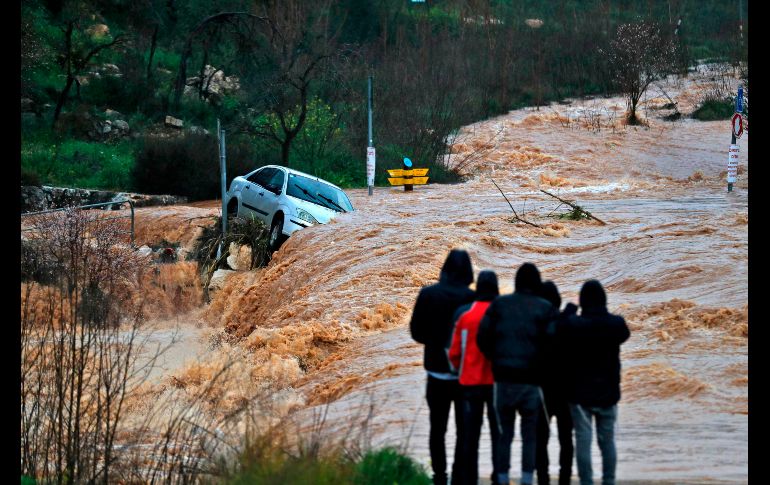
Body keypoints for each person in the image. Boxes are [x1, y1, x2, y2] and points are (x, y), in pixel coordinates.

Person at [477, 263, 557, 485]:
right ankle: (526, 479)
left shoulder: (499, 304)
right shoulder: (545, 307)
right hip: (531, 382)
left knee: (505, 434)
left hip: (503, 380)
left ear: (517, 282)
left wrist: (496, 358)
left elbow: (482, 337)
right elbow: (552, 343)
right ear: (537, 282)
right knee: (529, 435)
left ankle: (502, 478)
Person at [410, 249, 475, 485]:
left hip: (435, 372)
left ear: (444, 269)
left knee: (437, 428)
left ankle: (439, 476)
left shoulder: (428, 294)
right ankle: (459, 476)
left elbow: (416, 332)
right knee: (463, 430)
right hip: (464, 376)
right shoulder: (471, 299)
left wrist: (436, 342)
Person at [556, 280, 630, 485]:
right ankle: (609, 481)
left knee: (583, 441)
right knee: (607, 443)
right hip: (608, 393)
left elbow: (558, 326)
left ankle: (586, 481)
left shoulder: (575, 325)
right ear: (604, 300)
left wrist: (572, 306)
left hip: (580, 395)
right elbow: (625, 334)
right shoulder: (615, 324)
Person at [447, 270, 501, 485]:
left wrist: (460, 370)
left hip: (470, 382)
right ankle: (499, 477)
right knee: (499, 434)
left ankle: (469, 479)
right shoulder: (501, 312)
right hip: (496, 383)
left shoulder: (465, 314)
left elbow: (454, 353)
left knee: (471, 437)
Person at [534, 281, 574, 485]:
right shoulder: (569, 323)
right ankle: (565, 478)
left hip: (542, 391)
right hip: (566, 390)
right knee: (566, 439)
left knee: (541, 439)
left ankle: (543, 478)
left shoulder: (535, 326)